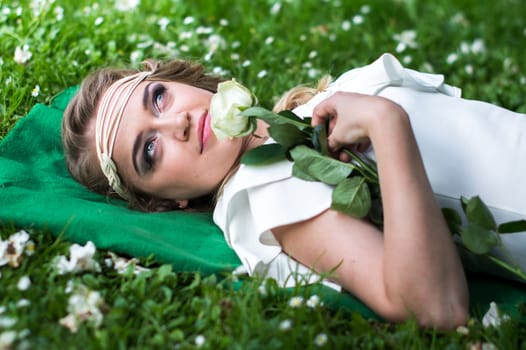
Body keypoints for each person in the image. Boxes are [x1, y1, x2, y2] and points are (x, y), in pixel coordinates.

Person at [62, 53, 526, 329]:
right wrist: (388, 124)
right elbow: (433, 307)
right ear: (166, 201)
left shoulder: (314, 112)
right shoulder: (264, 189)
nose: (176, 123)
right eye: (150, 150)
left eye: (158, 98)